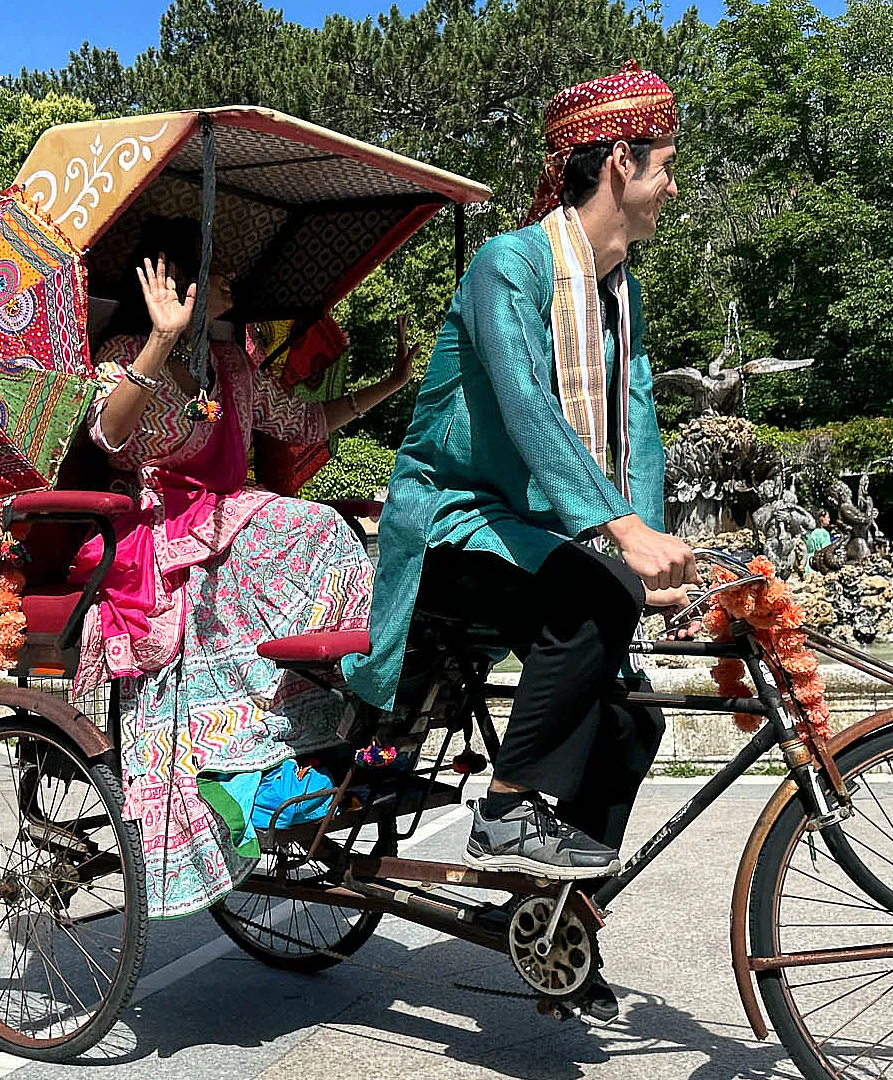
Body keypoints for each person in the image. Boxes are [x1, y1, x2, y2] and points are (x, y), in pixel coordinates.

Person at [355, 67, 688, 892]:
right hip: (452, 519)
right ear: (621, 161)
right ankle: (504, 811)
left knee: (634, 722)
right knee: (597, 596)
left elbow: (638, 425)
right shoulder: (509, 264)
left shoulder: (619, 294)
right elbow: (526, 402)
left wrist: (649, 543)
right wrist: (622, 535)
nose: (673, 189)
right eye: (666, 167)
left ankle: (554, 922)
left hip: (536, 534)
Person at [72, 215, 415, 920]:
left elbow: (303, 423)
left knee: (329, 528)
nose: (232, 281)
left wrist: (391, 384)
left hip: (229, 518)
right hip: (159, 531)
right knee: (317, 527)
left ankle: (330, 704)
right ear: (178, 284)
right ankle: (234, 739)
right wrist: (161, 339)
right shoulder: (124, 352)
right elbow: (108, 433)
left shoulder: (230, 365)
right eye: (216, 270)